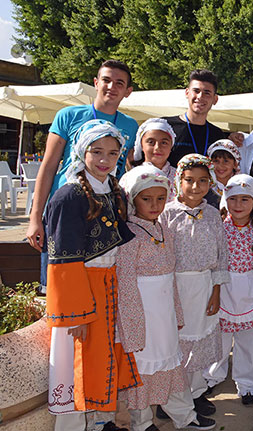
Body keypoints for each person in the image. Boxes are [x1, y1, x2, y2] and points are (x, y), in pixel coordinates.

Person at [44, 119, 140, 431]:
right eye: (96, 151)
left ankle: (102, 421)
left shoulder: (114, 191)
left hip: (107, 285)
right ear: (82, 151)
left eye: (112, 154)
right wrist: (76, 315)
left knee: (105, 356)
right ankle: (71, 427)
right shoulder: (68, 196)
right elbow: (62, 262)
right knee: (77, 362)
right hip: (81, 290)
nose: (104, 160)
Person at [26, 60, 138, 302]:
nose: (112, 86)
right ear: (96, 83)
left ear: (127, 91)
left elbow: (122, 171)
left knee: (97, 291)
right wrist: (35, 217)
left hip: (103, 215)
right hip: (64, 212)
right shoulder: (68, 116)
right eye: (106, 80)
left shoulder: (130, 125)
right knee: (58, 290)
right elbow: (48, 166)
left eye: (120, 83)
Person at [117, 165, 216, 431]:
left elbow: (170, 277)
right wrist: (132, 325)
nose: (154, 205)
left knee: (172, 362)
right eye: (146, 199)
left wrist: (177, 313)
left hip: (165, 314)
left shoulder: (164, 231)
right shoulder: (128, 235)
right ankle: (142, 422)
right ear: (133, 199)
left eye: (161, 198)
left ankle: (184, 415)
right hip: (142, 314)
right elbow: (125, 284)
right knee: (144, 368)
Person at [159, 154, 228, 419]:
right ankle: (172, 397)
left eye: (203, 181)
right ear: (178, 181)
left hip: (204, 285)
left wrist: (217, 290)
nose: (196, 187)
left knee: (200, 343)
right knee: (177, 344)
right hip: (177, 286)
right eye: (189, 180)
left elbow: (222, 254)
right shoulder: (167, 214)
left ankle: (196, 391)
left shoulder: (212, 214)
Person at [204, 175, 253, 406]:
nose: (238, 205)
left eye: (244, 199)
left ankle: (247, 382)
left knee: (248, 342)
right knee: (219, 340)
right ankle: (212, 376)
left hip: (251, 293)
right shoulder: (219, 227)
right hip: (225, 291)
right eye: (233, 199)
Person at [165, 69, 243, 166]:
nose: (200, 97)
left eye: (207, 93)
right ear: (187, 93)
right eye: (196, 91)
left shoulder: (217, 135)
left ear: (215, 99)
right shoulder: (166, 126)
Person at [132, 117, 178, 199]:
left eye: (164, 143)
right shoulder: (132, 176)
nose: (157, 147)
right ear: (142, 145)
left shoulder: (179, 178)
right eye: (151, 142)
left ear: (171, 146)